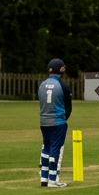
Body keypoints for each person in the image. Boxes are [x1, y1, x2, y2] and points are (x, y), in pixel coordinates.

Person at [36, 58, 73, 187]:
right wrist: (63, 119)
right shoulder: (63, 86)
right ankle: (53, 179)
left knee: (46, 146)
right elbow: (68, 108)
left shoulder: (42, 85)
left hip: (43, 121)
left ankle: (44, 177)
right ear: (61, 69)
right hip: (58, 121)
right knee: (56, 148)